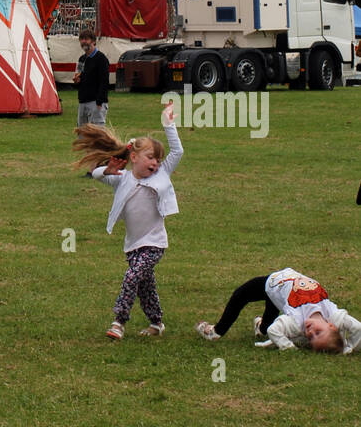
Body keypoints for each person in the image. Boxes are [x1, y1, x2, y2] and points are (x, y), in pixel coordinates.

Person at [73, 101, 183, 340]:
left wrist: (168, 124)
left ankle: (119, 321)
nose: (155, 163)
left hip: (155, 243)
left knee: (132, 276)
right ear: (133, 157)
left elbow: (178, 152)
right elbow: (96, 174)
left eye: (157, 159)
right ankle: (156, 322)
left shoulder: (162, 174)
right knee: (145, 285)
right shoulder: (122, 179)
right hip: (133, 245)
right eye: (150, 158)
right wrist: (108, 171)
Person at [196, 268, 361, 353]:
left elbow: (274, 330)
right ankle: (260, 328)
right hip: (282, 287)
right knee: (273, 305)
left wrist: (288, 347)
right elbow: (358, 329)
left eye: (310, 338)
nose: (310, 332)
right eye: (318, 333)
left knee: (241, 295)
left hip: (273, 283)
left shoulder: (296, 323)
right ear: (331, 326)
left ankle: (216, 332)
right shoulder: (334, 315)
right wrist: (351, 347)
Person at [73, 26, 110, 127]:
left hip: (96, 103)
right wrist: (77, 81)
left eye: (87, 39)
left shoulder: (101, 59)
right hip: (82, 102)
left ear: (93, 41)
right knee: (82, 136)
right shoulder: (81, 59)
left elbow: (104, 81)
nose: (84, 42)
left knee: (97, 136)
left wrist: (99, 102)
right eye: (82, 39)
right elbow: (78, 77)